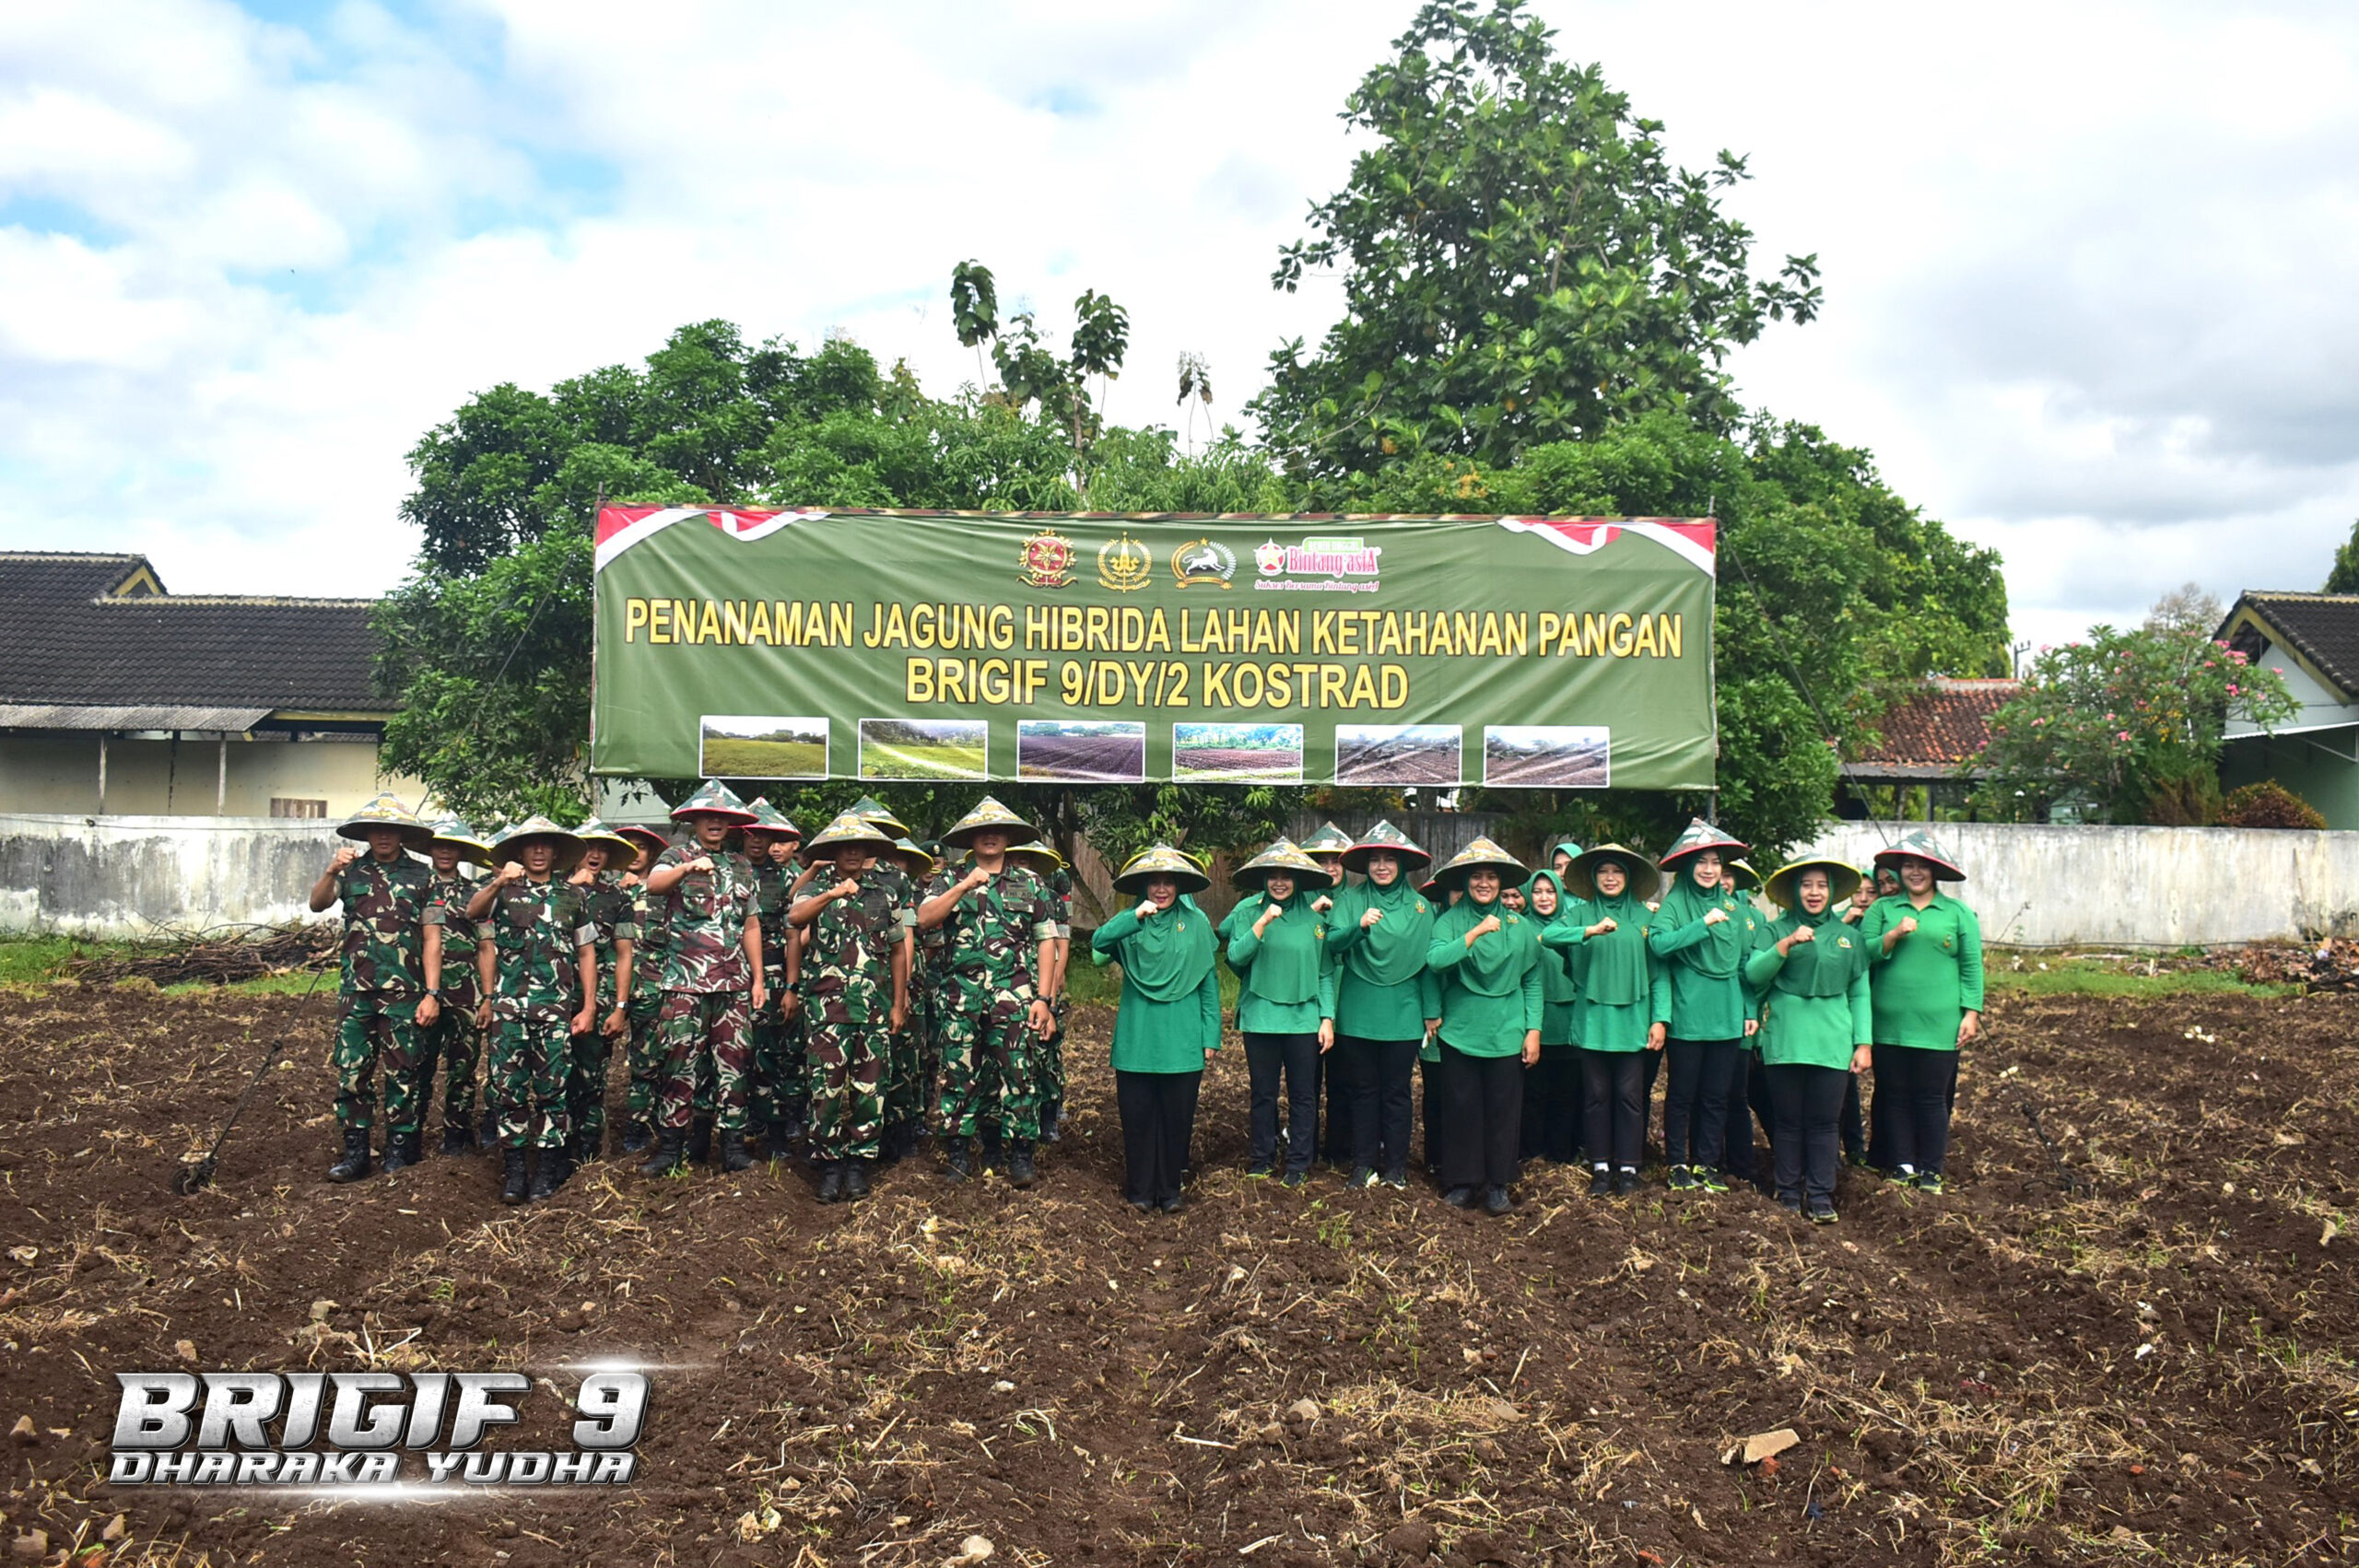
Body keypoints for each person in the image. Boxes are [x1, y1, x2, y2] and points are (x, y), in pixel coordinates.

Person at [921, 798, 1059, 1188]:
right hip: (960, 998)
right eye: (982, 831)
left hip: (1013, 997)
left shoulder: (1029, 883)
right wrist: (964, 885)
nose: (990, 836)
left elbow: (1046, 941)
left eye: (998, 830)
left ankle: (1021, 1156)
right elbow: (925, 919)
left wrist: (1043, 999)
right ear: (970, 838)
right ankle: (959, 1153)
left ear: (1009, 838)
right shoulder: (950, 879)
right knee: (959, 1075)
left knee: (1019, 1074)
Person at [465, 816, 600, 1204]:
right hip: (509, 1011)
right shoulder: (502, 892)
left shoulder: (574, 897)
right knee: (507, 1091)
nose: (539, 851)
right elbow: (472, 912)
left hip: (554, 1011)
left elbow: (586, 953)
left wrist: (589, 1006)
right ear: (520, 851)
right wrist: (498, 882)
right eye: (531, 844)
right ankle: (514, 1172)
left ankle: (545, 1172)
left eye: (546, 845)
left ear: (556, 853)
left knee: (552, 1093)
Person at [638, 780, 766, 1177]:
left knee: (735, 1065)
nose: (715, 822)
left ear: (730, 824)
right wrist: (687, 869)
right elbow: (654, 884)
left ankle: (733, 1149)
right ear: (694, 821)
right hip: (686, 985)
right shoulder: (676, 856)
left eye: (722, 817)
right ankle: (670, 1149)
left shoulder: (741, 865)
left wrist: (758, 980)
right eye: (707, 816)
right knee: (678, 1064)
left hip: (733, 986)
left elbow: (751, 925)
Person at [309, 793, 436, 1183]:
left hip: (404, 992)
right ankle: (356, 1153)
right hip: (357, 991)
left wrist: (432, 994)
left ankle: (399, 1151)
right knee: (352, 1072)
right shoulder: (351, 872)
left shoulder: (423, 876)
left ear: (402, 834)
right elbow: (317, 904)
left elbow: (433, 937)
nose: (384, 836)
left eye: (391, 830)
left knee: (403, 1073)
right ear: (366, 834)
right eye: (377, 830)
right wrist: (331, 870)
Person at [1090, 845, 1223, 1213]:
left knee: (1177, 1118)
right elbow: (1099, 943)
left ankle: (1170, 1191)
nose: (1161, 889)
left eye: (1168, 882)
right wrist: (1134, 916)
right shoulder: (1130, 922)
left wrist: (1211, 1034)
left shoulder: (1196, 923)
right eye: (1154, 882)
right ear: (1143, 886)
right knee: (1137, 1117)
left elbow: (1208, 983)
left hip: (1183, 1037)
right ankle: (1140, 1191)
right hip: (1138, 1036)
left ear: (1179, 886)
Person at [790, 811, 911, 1202]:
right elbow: (795, 917)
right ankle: (829, 1165)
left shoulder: (884, 893)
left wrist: (898, 1003)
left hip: (873, 1009)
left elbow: (897, 950)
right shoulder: (816, 888)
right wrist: (832, 894)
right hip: (827, 1010)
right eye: (845, 847)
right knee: (825, 1091)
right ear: (833, 851)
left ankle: (858, 1163)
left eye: (860, 846)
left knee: (869, 1090)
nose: (853, 853)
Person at [1745, 859, 1872, 1223]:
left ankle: (1820, 1196)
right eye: (1806, 885)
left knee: (1824, 1123)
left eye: (1821, 885)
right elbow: (1753, 974)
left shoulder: (1849, 937)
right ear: (1794, 891)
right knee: (1787, 1122)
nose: (1814, 893)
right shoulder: (1774, 930)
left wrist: (1863, 1043)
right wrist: (1786, 945)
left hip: (1832, 1041)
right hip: (1786, 1038)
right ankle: (1787, 1192)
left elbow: (1859, 992)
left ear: (1831, 891)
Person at [1859, 830, 1983, 1193]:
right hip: (1889, 1023)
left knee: (1931, 1098)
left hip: (1939, 1025)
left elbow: (1971, 967)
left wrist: (1971, 1012)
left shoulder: (1957, 913)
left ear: (1935, 872)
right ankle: (1902, 1165)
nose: (1915, 872)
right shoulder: (1883, 909)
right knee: (1894, 1095)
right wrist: (1893, 935)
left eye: (1922, 866)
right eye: (1908, 866)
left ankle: (1931, 1169)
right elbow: (1862, 955)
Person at [1424, 837, 1543, 1215]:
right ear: (1465, 881)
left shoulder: (1520, 926)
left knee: (1502, 1110)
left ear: (1501, 883)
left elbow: (1532, 979)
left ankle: (1497, 1184)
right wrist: (1474, 933)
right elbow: (1436, 961)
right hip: (1461, 1029)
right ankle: (1463, 1182)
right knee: (1462, 1108)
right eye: (1477, 877)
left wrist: (1533, 1030)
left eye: (1492, 877)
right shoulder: (1449, 921)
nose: (1484, 884)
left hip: (1506, 1030)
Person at [1547, 844, 1669, 1198]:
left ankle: (1628, 1168)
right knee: (1596, 1095)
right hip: (1592, 1019)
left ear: (1628, 877)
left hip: (1634, 1019)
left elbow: (1660, 973)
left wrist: (1660, 1019)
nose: (1610, 878)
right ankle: (1599, 1167)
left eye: (1617, 871)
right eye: (1603, 871)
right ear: (1593, 877)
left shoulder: (1647, 917)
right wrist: (1588, 931)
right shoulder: (1581, 914)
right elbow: (1548, 936)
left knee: (1630, 1095)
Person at [1323, 821, 1440, 1190]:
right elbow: (1331, 943)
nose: (1382, 866)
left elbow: (1429, 963)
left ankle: (1395, 1167)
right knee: (1362, 1090)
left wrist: (1431, 1010)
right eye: (1375, 860)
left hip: (1404, 1010)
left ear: (1402, 865)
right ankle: (1362, 1164)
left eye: (1390, 859)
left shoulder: (1421, 907)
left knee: (1397, 1092)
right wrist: (1358, 926)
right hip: (1359, 1009)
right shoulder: (1351, 900)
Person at [1649, 820, 1756, 1194]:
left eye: (1715, 863)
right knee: (1682, 1095)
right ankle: (1677, 1163)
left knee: (1716, 1096)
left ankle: (1706, 1164)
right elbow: (1658, 944)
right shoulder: (1676, 902)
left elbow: (1743, 963)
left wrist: (1749, 1009)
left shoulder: (1734, 907)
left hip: (1727, 1015)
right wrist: (1701, 924)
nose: (1709, 870)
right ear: (1688, 865)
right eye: (1701, 862)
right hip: (1688, 1016)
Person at [1221, 839, 1334, 1188]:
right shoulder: (1247, 913)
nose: (1279, 883)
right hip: (1261, 1017)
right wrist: (1262, 923)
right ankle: (1262, 1159)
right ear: (1264, 879)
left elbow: (1324, 972)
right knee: (1263, 1094)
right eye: (1273, 876)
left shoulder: (1315, 921)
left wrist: (1327, 1018)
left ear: (1298, 879)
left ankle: (1298, 1164)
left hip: (1303, 1020)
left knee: (1304, 1096)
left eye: (1287, 876)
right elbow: (1235, 957)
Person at [563, 819, 640, 1164]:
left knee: (591, 1079)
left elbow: (624, 954)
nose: (595, 855)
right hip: (550, 997)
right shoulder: (552, 888)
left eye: (602, 849)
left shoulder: (617, 898)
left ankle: (589, 1157)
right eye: (588, 847)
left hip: (596, 1000)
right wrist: (569, 887)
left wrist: (620, 1007)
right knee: (553, 1078)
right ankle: (556, 1152)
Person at [415, 816, 490, 1157]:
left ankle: (457, 1137)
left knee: (463, 1069)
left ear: (462, 852)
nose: (445, 851)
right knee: (417, 1066)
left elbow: (486, 946)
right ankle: (410, 1137)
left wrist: (487, 997)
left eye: (453, 846)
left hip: (465, 993)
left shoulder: (476, 894)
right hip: (420, 990)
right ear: (430, 849)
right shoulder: (415, 887)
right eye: (439, 845)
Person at [740, 799, 804, 1157]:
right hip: (730, 973)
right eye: (750, 833)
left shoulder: (787, 878)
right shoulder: (730, 870)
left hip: (776, 974)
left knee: (775, 1051)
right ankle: (742, 1123)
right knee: (737, 1052)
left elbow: (795, 933)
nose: (756, 841)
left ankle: (779, 1128)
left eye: (763, 835)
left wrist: (791, 985)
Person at [1004, 840, 1074, 1141]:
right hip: (1011, 985)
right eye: (1016, 859)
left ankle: (1049, 1117)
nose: (1021, 864)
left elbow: (1061, 944)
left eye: (1026, 859)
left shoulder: (1050, 898)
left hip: (1042, 983)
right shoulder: (996, 892)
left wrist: (1054, 986)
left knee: (1047, 1052)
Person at [1297, 820, 1356, 1166]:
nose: (1330, 868)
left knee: (1344, 1077)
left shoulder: (1354, 900)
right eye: (1322, 862)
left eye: (1337, 861)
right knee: (1307, 1080)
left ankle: (1339, 1148)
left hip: (1347, 993)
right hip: (1307, 994)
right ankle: (1303, 1148)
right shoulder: (1298, 900)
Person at [613, 824, 673, 1154]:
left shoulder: (665, 893)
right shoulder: (607, 892)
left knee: (651, 1060)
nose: (635, 853)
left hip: (654, 987)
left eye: (642, 847)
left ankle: (646, 1124)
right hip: (610, 990)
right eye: (628, 846)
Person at [1519, 865, 1583, 1167]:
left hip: (1569, 1017)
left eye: (1550, 891)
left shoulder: (1571, 924)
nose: (1544, 898)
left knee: (1567, 1093)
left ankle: (1562, 1154)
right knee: (1533, 1093)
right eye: (1537, 891)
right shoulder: (1520, 926)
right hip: (1535, 1020)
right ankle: (1532, 1154)